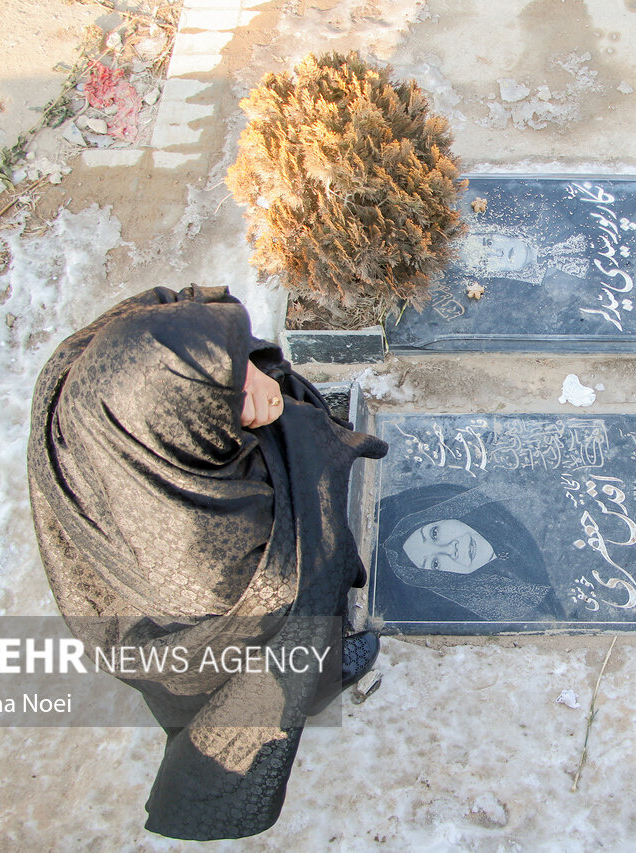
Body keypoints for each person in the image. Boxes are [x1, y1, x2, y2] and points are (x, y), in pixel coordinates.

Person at [27, 285, 387, 840]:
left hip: (137, 518)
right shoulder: (207, 551)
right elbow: (290, 587)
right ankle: (323, 678)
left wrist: (230, 361)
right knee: (295, 637)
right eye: (230, 401)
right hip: (212, 623)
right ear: (183, 430)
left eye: (237, 369)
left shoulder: (107, 374)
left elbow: (183, 315)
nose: (259, 395)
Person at [374, 483, 563, 622]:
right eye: (435, 564)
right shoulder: (502, 611)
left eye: (434, 533)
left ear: (443, 513)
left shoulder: (530, 511)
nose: (451, 549)